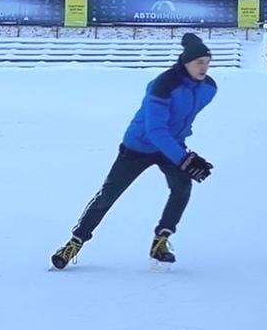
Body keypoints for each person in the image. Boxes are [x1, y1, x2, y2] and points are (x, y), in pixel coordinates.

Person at [51, 34, 217, 269]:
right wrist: (184, 158)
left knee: (182, 187)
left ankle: (161, 241)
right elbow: (156, 130)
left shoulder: (208, 89)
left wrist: (181, 151)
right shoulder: (163, 86)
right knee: (108, 195)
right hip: (138, 146)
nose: (204, 67)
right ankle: (74, 243)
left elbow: (179, 122)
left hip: (170, 146)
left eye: (207, 61)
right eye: (199, 62)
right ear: (185, 63)